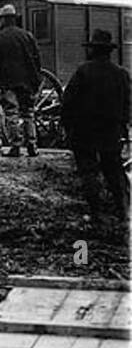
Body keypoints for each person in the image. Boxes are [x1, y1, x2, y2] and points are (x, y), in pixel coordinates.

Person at [61, 29, 131, 216]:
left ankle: (96, 213)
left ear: (93, 50)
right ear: (109, 51)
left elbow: (67, 104)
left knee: (88, 171)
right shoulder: (121, 74)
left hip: (84, 132)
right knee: (114, 170)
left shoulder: (83, 72)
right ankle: (123, 209)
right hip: (111, 132)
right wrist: (123, 128)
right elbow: (128, 105)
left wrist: (68, 128)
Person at [0, 3, 42, 157]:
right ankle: (32, 146)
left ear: (4, 20)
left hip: (7, 82)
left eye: (0, 19)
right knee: (28, 114)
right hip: (27, 83)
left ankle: (15, 146)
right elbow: (37, 60)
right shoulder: (27, 36)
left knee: (11, 113)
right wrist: (36, 81)